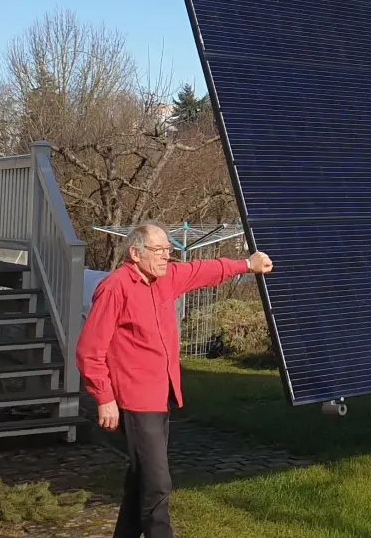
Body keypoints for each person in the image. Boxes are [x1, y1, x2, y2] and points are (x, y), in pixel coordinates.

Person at [76, 220, 274, 538]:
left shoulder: (165, 279)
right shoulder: (115, 288)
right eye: (159, 250)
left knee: (142, 480)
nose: (166, 256)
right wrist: (104, 397)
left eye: (168, 249)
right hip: (136, 400)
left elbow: (203, 270)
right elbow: (89, 349)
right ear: (135, 253)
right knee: (157, 486)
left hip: (161, 397)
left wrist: (246, 265)